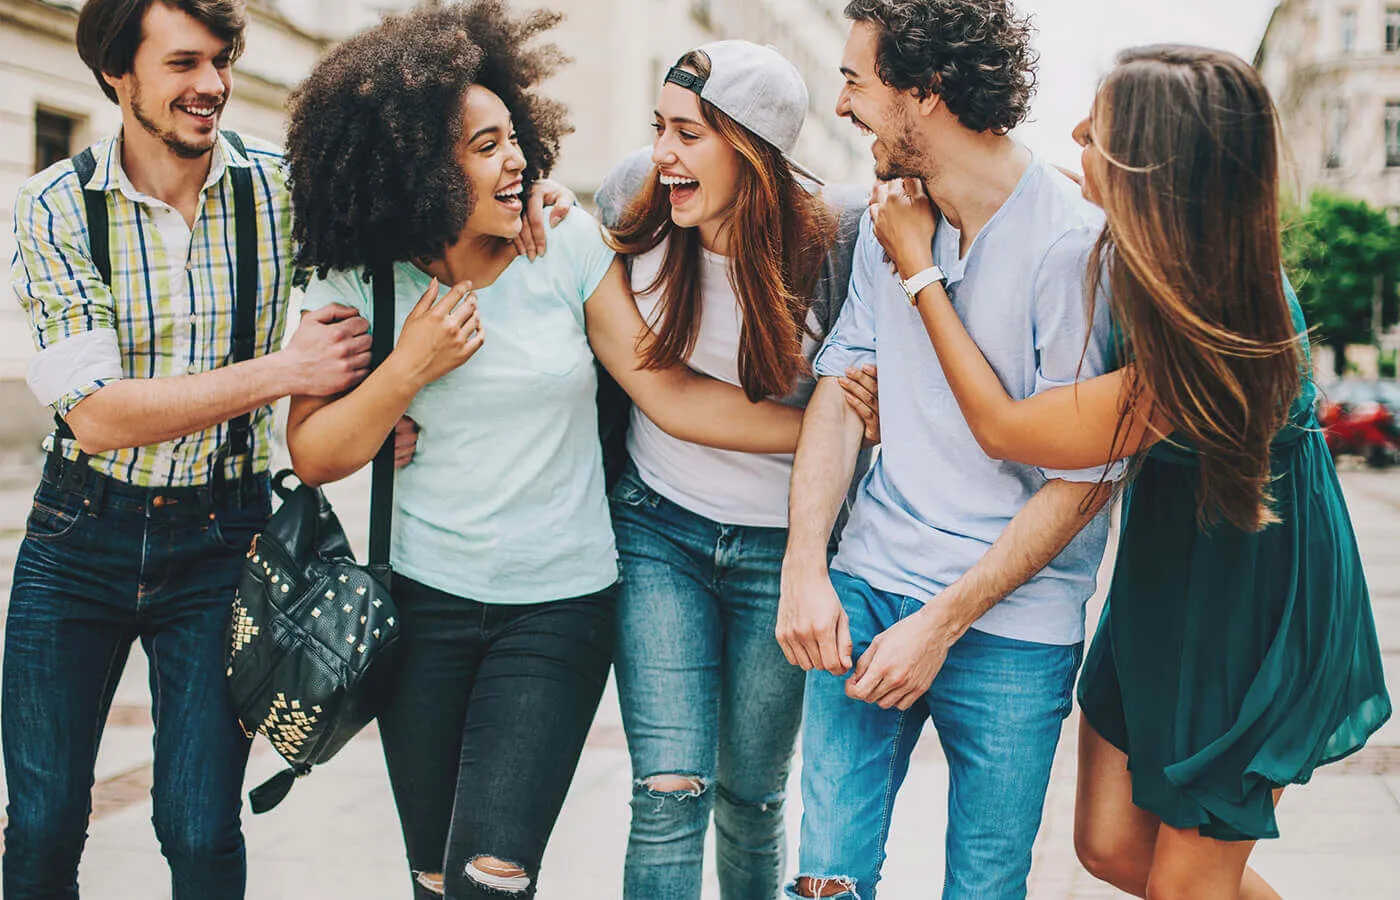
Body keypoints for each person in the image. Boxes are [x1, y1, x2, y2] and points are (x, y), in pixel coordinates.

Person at [280, 4, 811, 897]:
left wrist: (832, 426)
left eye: (513, 137)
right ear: (417, 168)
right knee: (436, 879)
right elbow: (317, 453)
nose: (518, 159)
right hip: (422, 606)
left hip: (559, 608)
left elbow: (665, 389)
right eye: (485, 147)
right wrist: (406, 370)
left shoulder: (560, 244)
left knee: (492, 876)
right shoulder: (361, 281)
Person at [856, 44, 1391, 900]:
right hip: (1166, 582)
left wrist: (920, 271)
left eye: (1097, 129)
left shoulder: (1215, 321)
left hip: (1250, 604)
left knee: (1187, 885)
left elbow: (1012, 429)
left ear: (1156, 166)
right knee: (1106, 847)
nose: (1074, 134)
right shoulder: (1138, 260)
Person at [1, 0, 374, 896]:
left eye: (220, 60)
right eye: (181, 64)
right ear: (116, 75)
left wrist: (526, 193)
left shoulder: (282, 188)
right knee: (46, 823)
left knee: (201, 828)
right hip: (77, 533)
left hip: (223, 535)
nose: (211, 85)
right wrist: (286, 371)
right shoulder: (56, 207)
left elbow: (402, 260)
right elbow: (97, 413)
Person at [775, 1, 1123, 897]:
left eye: (856, 81)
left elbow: (1081, 482)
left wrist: (942, 622)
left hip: (1014, 625)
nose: (843, 104)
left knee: (984, 886)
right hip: (869, 585)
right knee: (824, 882)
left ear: (927, 91)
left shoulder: (1072, 247)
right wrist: (807, 566)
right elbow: (838, 397)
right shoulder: (893, 216)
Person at [590, 42, 868, 900]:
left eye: (689, 133)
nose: (664, 153)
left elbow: (873, 404)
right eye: (659, 128)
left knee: (751, 796)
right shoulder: (632, 203)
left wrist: (851, 431)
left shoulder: (832, 245)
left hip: (778, 553)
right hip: (656, 529)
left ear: (750, 150)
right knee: (669, 791)